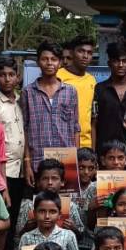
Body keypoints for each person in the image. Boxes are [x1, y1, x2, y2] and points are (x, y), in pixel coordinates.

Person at [22, 41, 80, 185]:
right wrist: (27, 163)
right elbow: (24, 129)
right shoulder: (28, 92)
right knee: (40, 199)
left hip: (66, 161)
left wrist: (76, 161)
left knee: (65, 199)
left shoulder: (70, 91)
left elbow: (75, 128)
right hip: (38, 162)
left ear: (60, 63)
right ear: (38, 62)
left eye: (54, 59)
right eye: (45, 59)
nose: (49, 63)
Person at [92, 43, 126, 178]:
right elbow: (93, 124)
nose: (121, 65)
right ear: (109, 63)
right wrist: (93, 157)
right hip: (104, 158)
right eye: (116, 61)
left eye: (124, 61)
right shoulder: (99, 90)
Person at [0, 57, 26, 250]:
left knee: (17, 216)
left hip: (21, 168)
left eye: (11, 75)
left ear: (18, 77)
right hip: (3, 170)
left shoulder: (22, 100)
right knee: (3, 215)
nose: (7, 79)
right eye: (2, 75)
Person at [15, 191, 81, 250]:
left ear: (59, 215)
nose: (47, 216)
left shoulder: (68, 235)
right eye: (42, 211)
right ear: (34, 213)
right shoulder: (26, 237)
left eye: (52, 212)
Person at [57, 35, 97, 149]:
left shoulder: (91, 80)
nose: (85, 56)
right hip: (63, 143)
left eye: (89, 53)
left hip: (86, 144)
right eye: (81, 51)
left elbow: (92, 116)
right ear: (72, 53)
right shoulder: (58, 76)